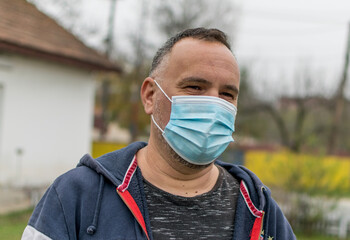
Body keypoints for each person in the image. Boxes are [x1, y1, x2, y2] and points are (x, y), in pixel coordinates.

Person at [22, 28, 296, 240]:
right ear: (150, 96)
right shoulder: (77, 195)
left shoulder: (259, 207)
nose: (214, 104)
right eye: (195, 87)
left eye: (227, 94)